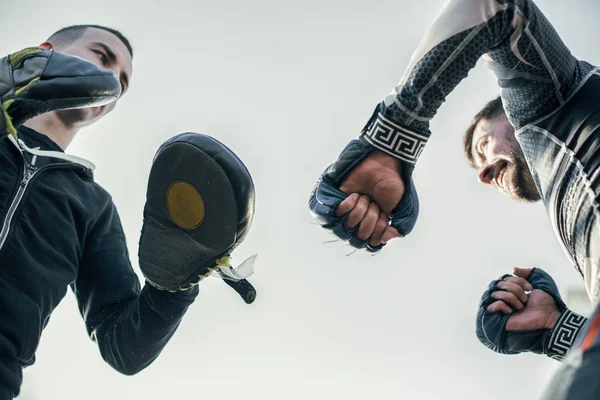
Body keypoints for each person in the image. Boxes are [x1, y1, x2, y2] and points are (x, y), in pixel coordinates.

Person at [308, 0, 600, 397]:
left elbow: (495, 6)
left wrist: (392, 132)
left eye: (484, 144)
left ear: (512, 109)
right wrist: (556, 330)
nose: (484, 173)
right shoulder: (576, 210)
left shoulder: (551, 103)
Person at [0, 25, 256, 400]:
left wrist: (173, 285)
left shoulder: (93, 206)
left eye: (122, 80)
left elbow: (122, 345)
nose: (113, 81)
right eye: (101, 57)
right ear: (44, 51)